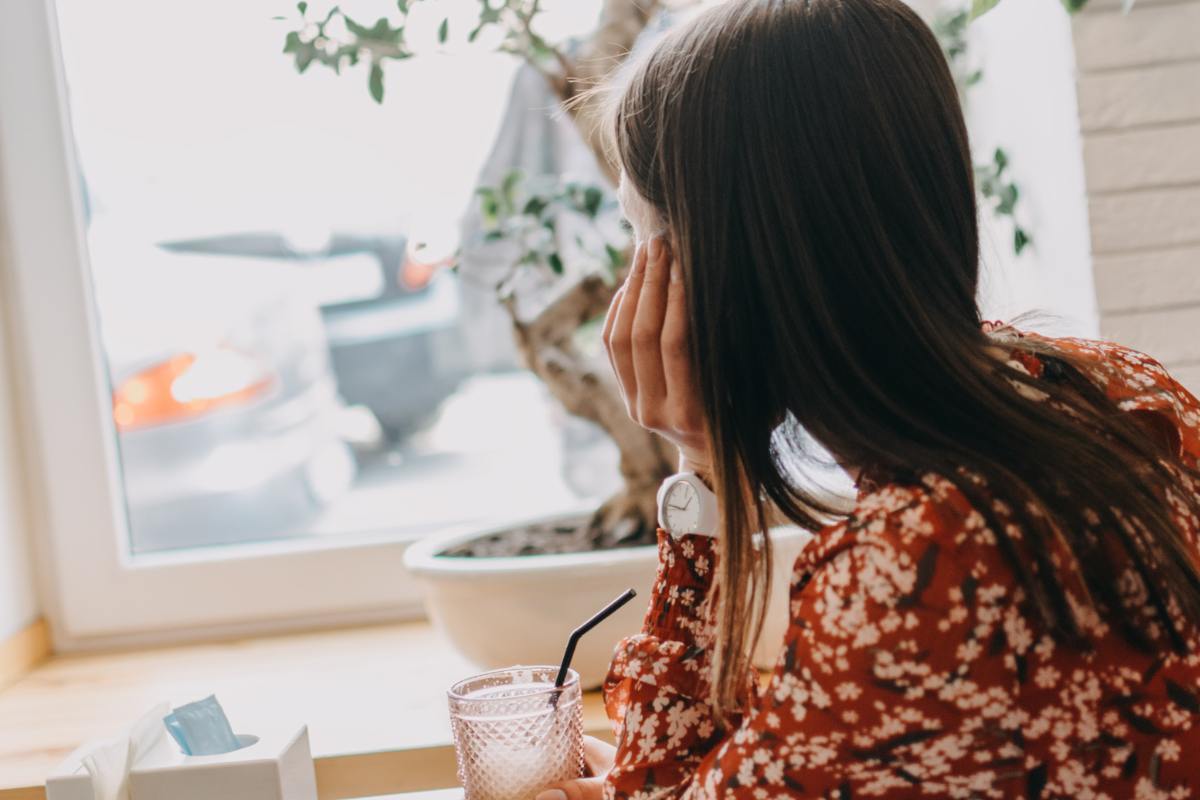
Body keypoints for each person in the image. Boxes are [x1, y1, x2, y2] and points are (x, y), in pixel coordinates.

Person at [536, 0, 1200, 796]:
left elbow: (661, 788)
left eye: (642, 238)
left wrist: (701, 468)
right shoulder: (1117, 385)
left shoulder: (914, 562)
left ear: (725, 263)